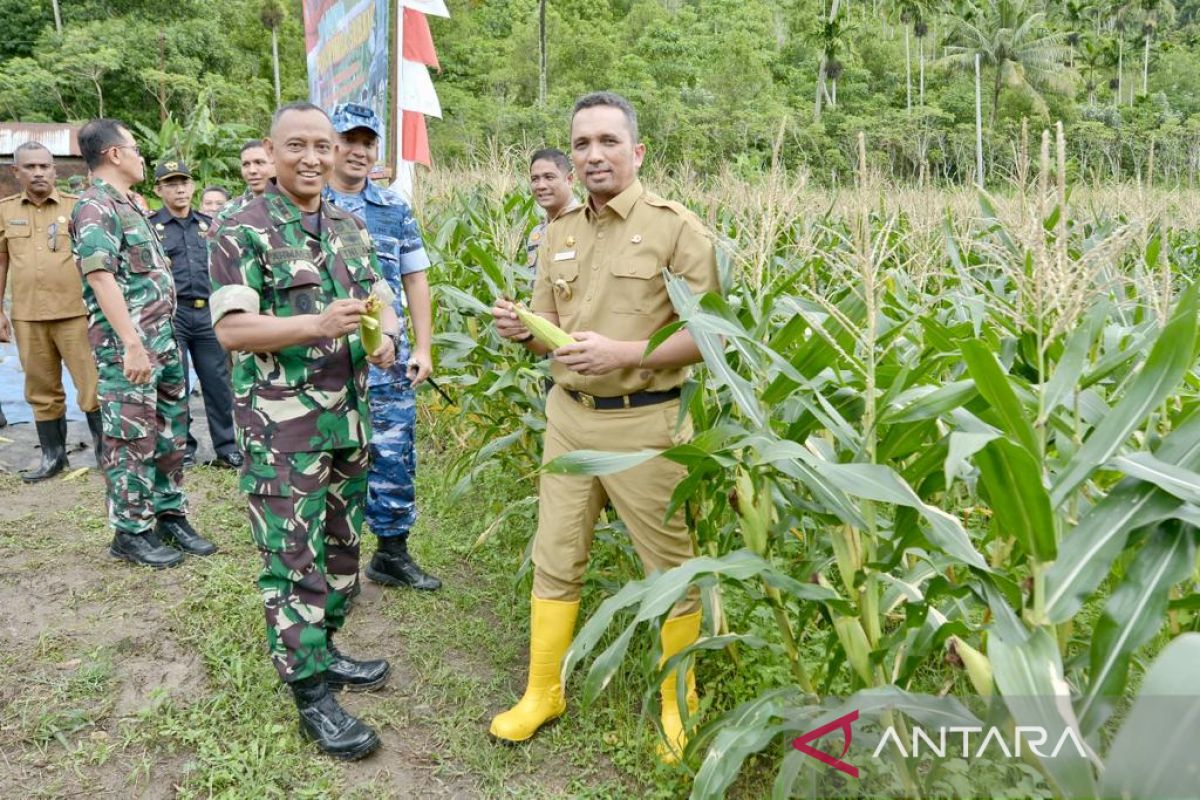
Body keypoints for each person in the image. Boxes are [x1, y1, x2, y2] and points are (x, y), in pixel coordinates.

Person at [489, 92, 719, 762]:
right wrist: (519, 331)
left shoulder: (676, 229)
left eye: (608, 142)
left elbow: (713, 337)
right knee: (555, 556)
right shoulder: (557, 229)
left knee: (670, 568)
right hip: (569, 420)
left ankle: (681, 707)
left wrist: (625, 353)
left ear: (637, 152)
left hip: (646, 425)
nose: (593, 154)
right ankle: (542, 693)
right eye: (582, 143)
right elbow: (546, 336)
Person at [209, 102, 401, 761]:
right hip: (283, 430)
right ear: (273, 149)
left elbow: (380, 296)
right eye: (298, 146)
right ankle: (312, 694)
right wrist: (317, 325)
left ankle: (328, 645)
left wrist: (386, 336)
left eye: (323, 145)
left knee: (343, 550)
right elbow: (233, 330)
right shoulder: (243, 228)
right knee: (295, 564)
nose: (314, 157)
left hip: (347, 420)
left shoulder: (349, 225)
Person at [71, 118, 214, 567]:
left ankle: (169, 513)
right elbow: (99, 277)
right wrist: (132, 343)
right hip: (129, 348)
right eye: (135, 149)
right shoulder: (95, 207)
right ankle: (131, 531)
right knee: (131, 438)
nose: (141, 157)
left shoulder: (130, 204)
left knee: (170, 430)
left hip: (163, 340)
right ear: (114, 154)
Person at [325, 102, 439, 591]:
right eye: (349, 140)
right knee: (333, 455)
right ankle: (335, 566)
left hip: (389, 356)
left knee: (393, 452)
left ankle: (391, 554)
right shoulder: (309, 204)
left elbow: (416, 278)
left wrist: (425, 348)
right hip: (326, 356)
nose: (358, 151)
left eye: (367, 143)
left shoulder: (393, 208)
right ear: (331, 145)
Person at [0, 141, 102, 480]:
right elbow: (1, 262)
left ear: (55, 170)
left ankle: (106, 454)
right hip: (28, 316)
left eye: (44, 166)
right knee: (40, 389)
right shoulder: (5, 211)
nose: (39, 172)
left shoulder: (78, 207)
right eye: (30, 167)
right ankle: (53, 457)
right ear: (16, 172)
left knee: (92, 385)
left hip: (76, 313)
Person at [149, 160, 240, 469]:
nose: (180, 189)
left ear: (192, 186)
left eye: (184, 182)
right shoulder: (151, 227)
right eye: (171, 183)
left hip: (207, 314)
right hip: (171, 316)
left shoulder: (209, 225)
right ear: (158, 189)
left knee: (217, 381)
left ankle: (227, 447)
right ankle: (182, 447)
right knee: (177, 384)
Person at [525, 147, 578, 273]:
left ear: (569, 180)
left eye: (549, 177)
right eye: (535, 179)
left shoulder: (590, 226)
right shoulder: (536, 234)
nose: (541, 186)